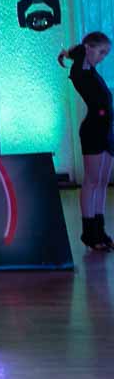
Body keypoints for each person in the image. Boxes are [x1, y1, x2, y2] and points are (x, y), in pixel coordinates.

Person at [59, 32, 113, 250]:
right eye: (101, 52)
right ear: (88, 48)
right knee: (91, 181)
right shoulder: (80, 69)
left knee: (102, 182)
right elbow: (80, 50)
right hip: (93, 130)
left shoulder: (91, 70)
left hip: (106, 129)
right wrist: (72, 51)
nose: (103, 57)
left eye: (106, 53)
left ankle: (100, 231)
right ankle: (89, 233)